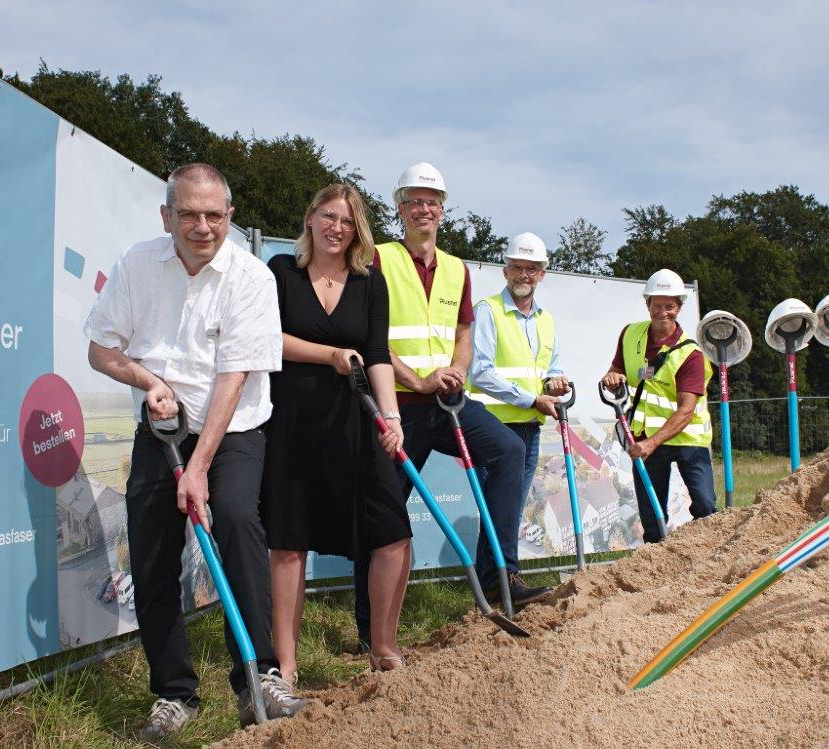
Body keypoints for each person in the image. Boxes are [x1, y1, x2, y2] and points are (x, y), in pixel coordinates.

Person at [84, 163, 306, 739]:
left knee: (234, 518)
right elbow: (99, 349)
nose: (202, 226)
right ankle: (174, 694)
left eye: (214, 215)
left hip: (233, 429)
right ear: (167, 216)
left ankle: (259, 679)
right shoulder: (137, 265)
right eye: (188, 214)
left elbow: (234, 377)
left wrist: (200, 468)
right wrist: (146, 381)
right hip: (161, 426)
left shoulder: (252, 278)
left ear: (230, 216)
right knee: (152, 545)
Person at [353, 163, 550, 648]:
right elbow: (368, 336)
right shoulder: (377, 259)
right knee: (383, 509)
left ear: (443, 210)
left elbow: (463, 334)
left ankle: (499, 576)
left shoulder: (457, 268)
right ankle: (368, 626)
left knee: (507, 452)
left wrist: (457, 371)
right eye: (414, 201)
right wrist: (416, 378)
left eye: (432, 201)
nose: (424, 209)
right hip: (395, 406)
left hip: (446, 402)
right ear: (400, 209)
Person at [262, 184, 413, 675]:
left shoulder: (370, 282)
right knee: (288, 542)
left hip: (356, 421)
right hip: (292, 422)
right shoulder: (281, 272)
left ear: (358, 231)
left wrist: (391, 418)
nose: (336, 228)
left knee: (392, 531)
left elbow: (376, 355)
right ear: (310, 219)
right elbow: (266, 338)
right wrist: (327, 355)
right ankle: (285, 666)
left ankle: (383, 648)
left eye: (347, 222)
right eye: (328, 217)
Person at [599, 268, 717, 543]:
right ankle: (656, 568)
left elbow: (686, 410)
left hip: (688, 438)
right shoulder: (631, 334)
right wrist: (612, 378)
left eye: (670, 306)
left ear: (679, 307)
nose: (663, 312)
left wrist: (651, 443)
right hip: (644, 437)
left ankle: (709, 556)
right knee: (651, 516)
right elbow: (617, 370)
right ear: (647, 304)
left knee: (705, 507)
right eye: (657, 305)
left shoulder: (691, 354)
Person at [467, 232, 569, 513]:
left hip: (530, 430)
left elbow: (552, 368)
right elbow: (480, 373)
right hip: (492, 428)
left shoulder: (546, 319)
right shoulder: (488, 311)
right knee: (494, 516)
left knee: (510, 517)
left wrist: (553, 383)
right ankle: (496, 560)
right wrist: (534, 400)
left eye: (532, 268)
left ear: (542, 274)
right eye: (518, 267)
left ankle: (503, 560)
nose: (525, 275)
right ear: (505, 271)